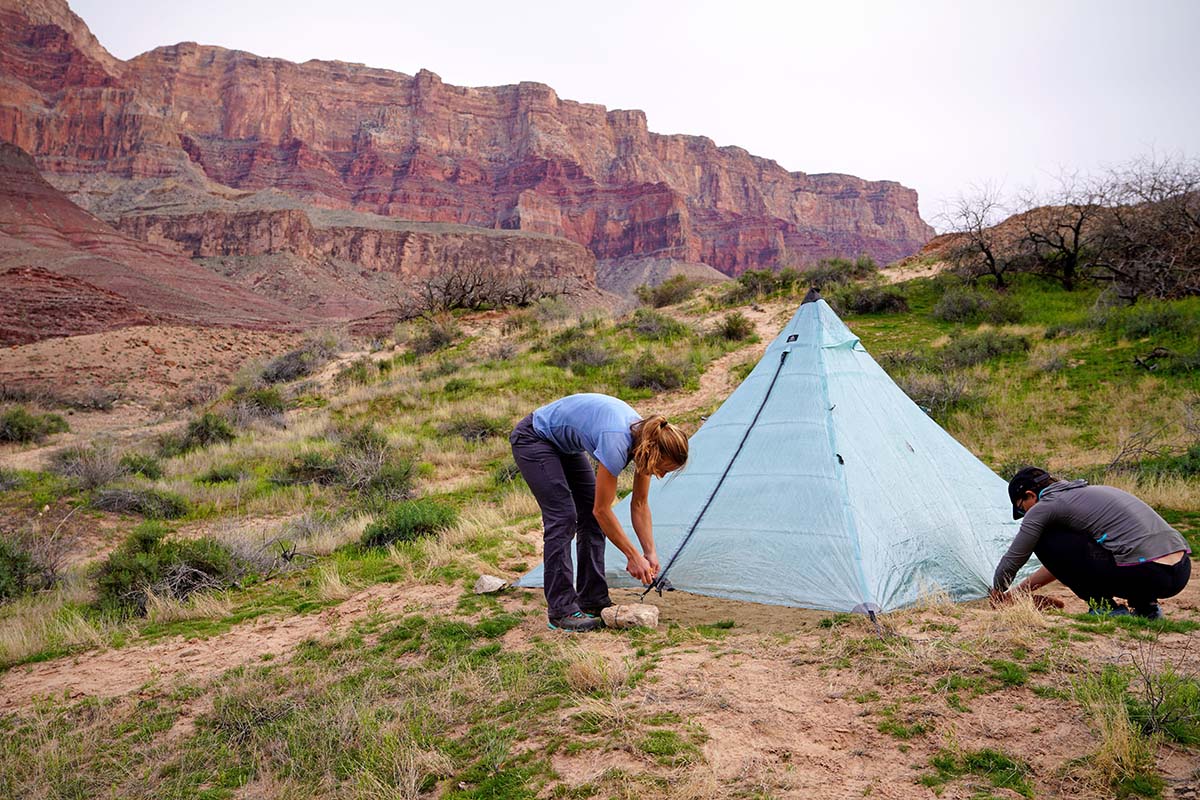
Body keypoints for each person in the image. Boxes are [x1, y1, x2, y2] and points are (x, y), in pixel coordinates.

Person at [510, 393, 689, 632]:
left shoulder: (647, 440)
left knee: (590, 519)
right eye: (663, 468)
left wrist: (650, 553)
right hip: (534, 438)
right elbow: (602, 510)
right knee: (563, 518)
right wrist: (633, 556)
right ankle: (561, 611)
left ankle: (592, 599)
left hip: (565, 447)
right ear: (652, 454)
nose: (661, 475)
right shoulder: (617, 442)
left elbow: (639, 504)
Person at [992, 467, 1192, 618]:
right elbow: (1065, 565)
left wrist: (997, 591)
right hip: (1180, 571)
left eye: (1021, 509)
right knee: (1124, 546)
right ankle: (1147, 609)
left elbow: (1014, 558)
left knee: (1042, 538)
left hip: (1148, 573)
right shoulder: (1089, 494)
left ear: (1030, 495)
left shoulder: (1044, 506)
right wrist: (1018, 593)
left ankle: (1104, 608)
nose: (1025, 514)